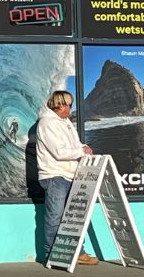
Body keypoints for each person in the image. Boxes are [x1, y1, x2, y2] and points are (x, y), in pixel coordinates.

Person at [36, 90, 98, 267]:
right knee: (55, 217)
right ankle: (51, 255)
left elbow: (76, 145)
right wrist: (80, 152)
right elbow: (59, 152)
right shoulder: (47, 123)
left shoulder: (66, 122)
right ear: (58, 105)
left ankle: (78, 252)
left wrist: (84, 147)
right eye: (67, 104)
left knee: (74, 218)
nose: (70, 108)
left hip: (71, 174)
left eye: (71, 104)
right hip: (55, 175)